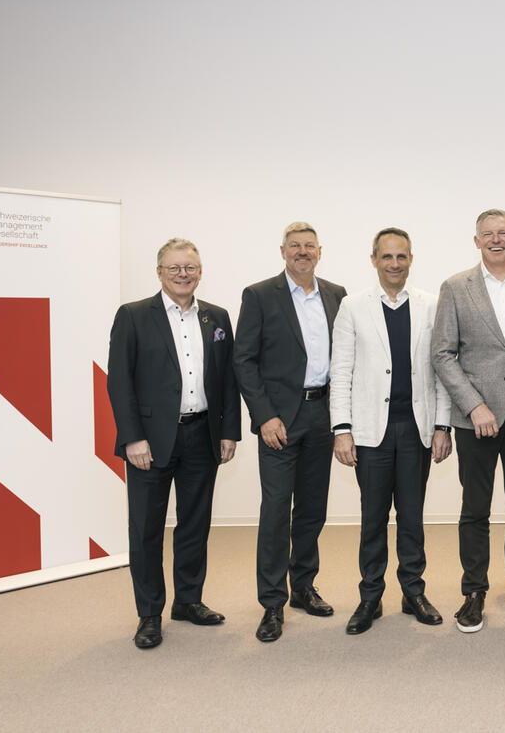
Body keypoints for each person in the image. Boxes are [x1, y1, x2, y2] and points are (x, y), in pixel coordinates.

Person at [107, 238, 240, 650]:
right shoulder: (133, 316)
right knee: (146, 528)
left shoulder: (216, 317)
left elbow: (228, 379)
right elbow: (119, 382)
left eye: (190, 267)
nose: (183, 274)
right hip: (150, 441)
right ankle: (149, 613)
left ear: (200, 272)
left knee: (195, 523)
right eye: (175, 268)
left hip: (203, 434)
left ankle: (188, 600)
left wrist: (229, 431)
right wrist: (132, 437)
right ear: (159, 272)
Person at [431, 209, 505, 633]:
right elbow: (442, 353)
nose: (496, 239)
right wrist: (473, 405)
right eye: (488, 234)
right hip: (477, 419)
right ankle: (474, 593)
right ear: (477, 240)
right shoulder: (455, 287)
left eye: (503, 233)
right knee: (475, 509)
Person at [330, 227, 453, 634]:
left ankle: (413, 592)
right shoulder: (352, 307)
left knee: (412, 517)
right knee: (373, 518)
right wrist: (341, 429)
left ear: (411, 260)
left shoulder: (431, 305)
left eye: (401, 256)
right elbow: (341, 371)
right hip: (371, 433)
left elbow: (442, 368)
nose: (394, 264)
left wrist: (442, 425)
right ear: (374, 260)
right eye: (387, 256)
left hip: (416, 429)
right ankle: (370, 597)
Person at [234, 222, 347, 643]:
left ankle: (303, 586)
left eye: (309, 246)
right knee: (277, 511)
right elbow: (244, 361)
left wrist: (343, 418)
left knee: (313, 509)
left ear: (320, 251)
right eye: (295, 246)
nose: (302, 252)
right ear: (282, 251)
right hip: (279, 421)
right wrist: (264, 416)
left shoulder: (336, 295)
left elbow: (345, 357)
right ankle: (271, 603)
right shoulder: (260, 295)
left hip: (322, 415)